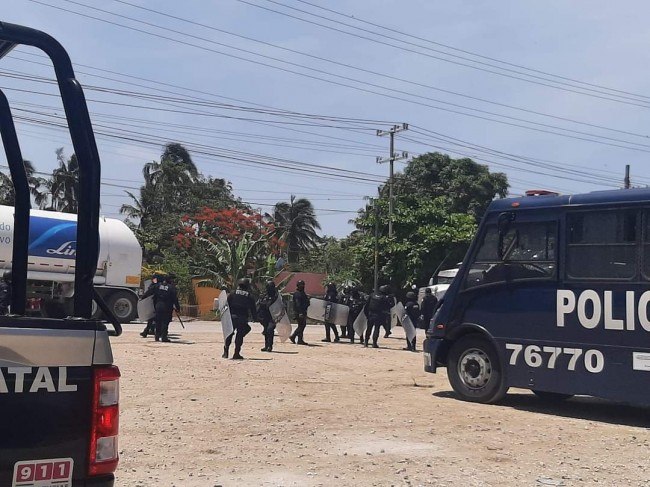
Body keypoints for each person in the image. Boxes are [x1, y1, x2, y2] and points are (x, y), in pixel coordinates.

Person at [224, 278, 257, 360]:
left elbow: (226, 305)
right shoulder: (249, 296)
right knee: (239, 336)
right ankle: (236, 353)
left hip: (232, 317)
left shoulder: (232, 293)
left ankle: (226, 351)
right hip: (242, 318)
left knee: (229, 334)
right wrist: (255, 318)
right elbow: (253, 309)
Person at [142, 273, 180, 342]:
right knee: (165, 322)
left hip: (158, 306)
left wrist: (142, 298)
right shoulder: (172, 288)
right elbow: (175, 299)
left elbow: (149, 292)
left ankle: (157, 336)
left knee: (158, 321)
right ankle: (164, 337)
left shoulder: (158, 286)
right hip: (167, 307)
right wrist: (178, 308)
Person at [257, 280, 278, 352]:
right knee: (266, 331)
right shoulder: (263, 296)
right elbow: (260, 305)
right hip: (264, 316)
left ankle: (270, 346)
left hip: (273, 316)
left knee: (270, 330)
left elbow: (281, 306)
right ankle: (266, 346)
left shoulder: (277, 297)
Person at [140, 274, 160, 338]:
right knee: (154, 319)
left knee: (152, 319)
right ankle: (149, 331)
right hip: (157, 304)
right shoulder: (160, 285)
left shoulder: (155, 285)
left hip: (154, 304)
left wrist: (142, 298)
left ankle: (147, 332)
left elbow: (149, 292)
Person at [290, 279, 310, 345]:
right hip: (299, 312)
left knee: (301, 325)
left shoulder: (302, 293)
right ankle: (294, 336)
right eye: (301, 285)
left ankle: (299, 339)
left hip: (302, 311)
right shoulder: (298, 294)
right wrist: (300, 312)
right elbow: (298, 304)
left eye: (303, 285)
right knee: (302, 325)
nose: (302, 286)